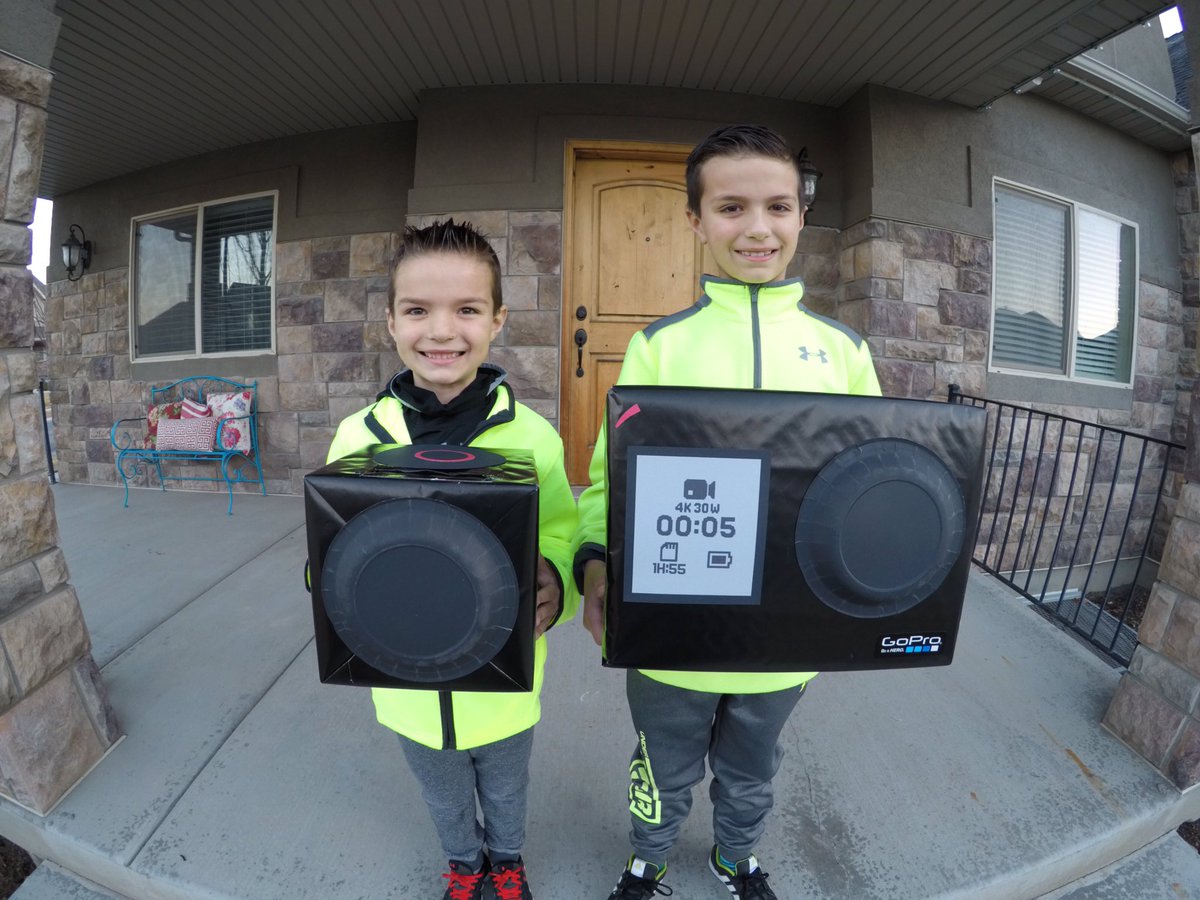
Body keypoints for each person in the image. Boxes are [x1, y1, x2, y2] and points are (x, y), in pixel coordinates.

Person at [573, 124, 882, 900]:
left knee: (754, 763)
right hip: (670, 628)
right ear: (696, 220)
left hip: (788, 631)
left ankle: (736, 856)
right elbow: (610, 478)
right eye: (731, 207)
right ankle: (648, 858)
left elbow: (871, 487)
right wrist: (594, 563)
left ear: (801, 214)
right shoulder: (658, 347)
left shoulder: (843, 353)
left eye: (777, 206)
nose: (757, 228)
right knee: (662, 758)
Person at [326, 219, 578, 900]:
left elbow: (560, 531)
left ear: (497, 320)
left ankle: (508, 864)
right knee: (441, 791)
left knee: (507, 786)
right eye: (418, 310)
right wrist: (328, 583)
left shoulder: (532, 438)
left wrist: (557, 579)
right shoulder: (358, 438)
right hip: (406, 687)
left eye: (466, 309)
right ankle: (465, 867)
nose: (441, 331)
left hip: (504, 687)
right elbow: (334, 549)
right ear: (390, 322)